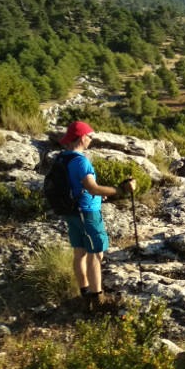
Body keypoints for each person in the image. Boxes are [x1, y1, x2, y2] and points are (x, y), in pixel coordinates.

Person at [57, 121, 136, 312]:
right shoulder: (81, 161)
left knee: (80, 252)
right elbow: (92, 187)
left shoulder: (62, 158)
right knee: (96, 253)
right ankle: (97, 299)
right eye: (90, 137)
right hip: (87, 212)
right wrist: (121, 189)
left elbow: (78, 186)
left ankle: (85, 295)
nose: (91, 140)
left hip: (71, 212)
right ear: (83, 137)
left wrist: (101, 192)